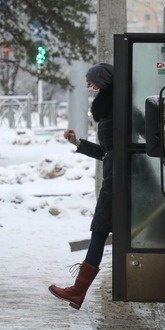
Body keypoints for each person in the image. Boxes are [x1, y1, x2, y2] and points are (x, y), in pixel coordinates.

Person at [49, 63, 114, 310]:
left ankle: (78, 291)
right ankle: (78, 291)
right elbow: (107, 152)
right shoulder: (110, 107)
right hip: (117, 177)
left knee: (100, 230)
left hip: (119, 181)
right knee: (100, 230)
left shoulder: (117, 108)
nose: (88, 86)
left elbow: (114, 151)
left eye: (91, 81)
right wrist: (78, 143)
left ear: (104, 80)